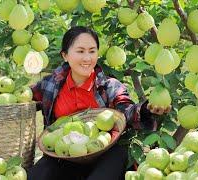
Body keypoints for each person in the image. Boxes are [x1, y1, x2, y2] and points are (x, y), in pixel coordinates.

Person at [28, 26, 171, 180]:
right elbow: (25, 99)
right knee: (37, 175)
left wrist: (146, 110)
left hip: (105, 153)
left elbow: (126, 110)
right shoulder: (50, 84)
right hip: (65, 154)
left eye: (92, 51)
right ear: (65, 55)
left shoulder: (109, 86)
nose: (87, 58)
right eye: (80, 51)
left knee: (112, 161)